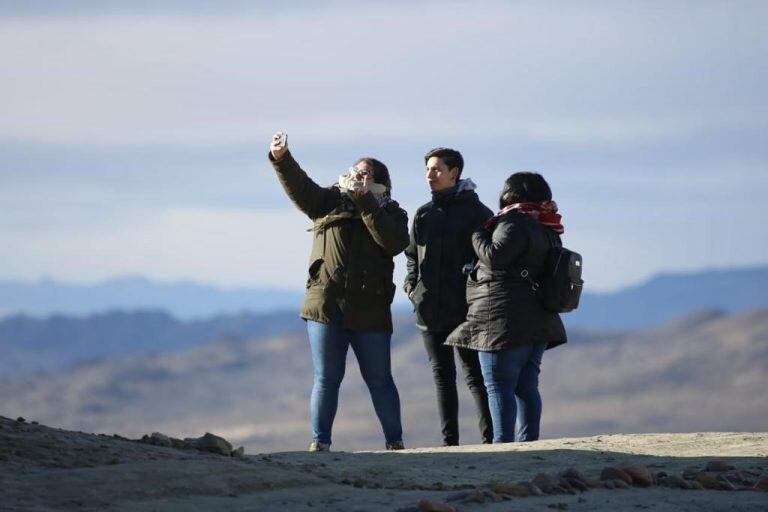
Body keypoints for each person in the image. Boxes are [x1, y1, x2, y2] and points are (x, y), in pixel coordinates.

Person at [268, 132, 409, 452]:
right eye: (355, 171)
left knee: (380, 379)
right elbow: (300, 187)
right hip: (326, 304)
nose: (358, 177)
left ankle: (395, 442)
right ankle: (320, 443)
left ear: (381, 184)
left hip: (370, 308)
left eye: (367, 174)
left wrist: (366, 202)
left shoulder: (393, 213)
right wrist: (281, 158)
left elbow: (393, 242)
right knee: (326, 378)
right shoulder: (328, 201)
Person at [446, 172, 567, 443]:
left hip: (503, 321)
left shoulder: (513, 221)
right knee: (526, 387)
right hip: (538, 321)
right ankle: (528, 442)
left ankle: (502, 445)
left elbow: (495, 256)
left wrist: (477, 233)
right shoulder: (548, 228)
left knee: (498, 386)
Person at [404, 147, 494, 446]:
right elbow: (411, 256)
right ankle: (449, 445)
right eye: (428, 169)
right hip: (429, 310)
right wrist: (411, 286)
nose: (430, 175)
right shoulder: (423, 214)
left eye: (436, 169)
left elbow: (491, 260)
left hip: (466, 312)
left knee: (475, 376)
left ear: (454, 173)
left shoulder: (479, 214)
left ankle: (491, 441)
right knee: (442, 378)